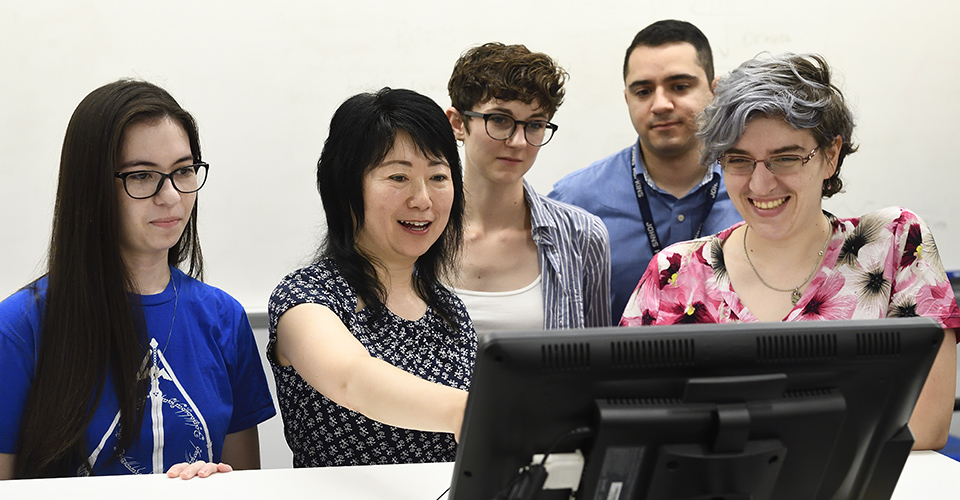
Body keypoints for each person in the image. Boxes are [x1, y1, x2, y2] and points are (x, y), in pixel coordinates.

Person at [621, 53, 959, 450]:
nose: (761, 185)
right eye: (739, 161)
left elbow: (926, 426)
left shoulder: (893, 245)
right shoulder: (676, 272)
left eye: (785, 158)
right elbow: (633, 425)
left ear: (831, 155)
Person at [0, 80, 276, 479]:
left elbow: (245, 482)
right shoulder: (20, 328)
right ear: (91, 187)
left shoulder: (224, 319)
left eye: (183, 171)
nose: (171, 196)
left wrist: (214, 483)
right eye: (143, 176)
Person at [267, 88, 476, 467]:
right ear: (346, 189)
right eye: (399, 176)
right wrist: (466, 410)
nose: (423, 199)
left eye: (439, 176)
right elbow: (352, 380)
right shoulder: (305, 297)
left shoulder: (449, 310)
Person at [549, 20, 742, 324]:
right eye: (643, 91)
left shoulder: (757, 192)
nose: (661, 104)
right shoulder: (574, 203)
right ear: (627, 98)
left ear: (715, 92)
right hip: (619, 371)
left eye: (680, 86)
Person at [445, 42, 611, 332]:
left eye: (534, 125)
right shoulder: (414, 226)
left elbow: (592, 365)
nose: (519, 141)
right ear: (458, 123)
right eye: (499, 120)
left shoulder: (581, 236)